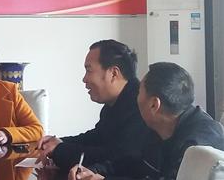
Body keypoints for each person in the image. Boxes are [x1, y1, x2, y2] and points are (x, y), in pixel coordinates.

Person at [68, 62, 224, 180]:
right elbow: (134, 162)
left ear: (154, 105)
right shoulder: (162, 128)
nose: (136, 98)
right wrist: (94, 171)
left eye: (139, 92)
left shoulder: (201, 140)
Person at [38, 39, 151, 168]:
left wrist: (60, 149)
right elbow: (97, 138)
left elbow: (116, 157)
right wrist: (59, 142)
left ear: (113, 73)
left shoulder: (141, 105)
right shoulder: (116, 102)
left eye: (89, 70)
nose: (84, 79)